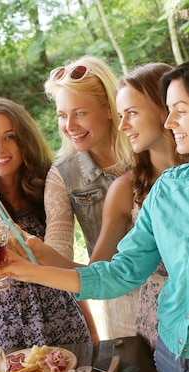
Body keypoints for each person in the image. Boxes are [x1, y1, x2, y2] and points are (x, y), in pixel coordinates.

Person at [0, 60, 189, 372]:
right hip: (178, 355)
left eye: (178, 110)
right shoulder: (164, 192)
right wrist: (25, 266)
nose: (168, 121)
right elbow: (115, 273)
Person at [92, 63, 188, 372]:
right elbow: (107, 269)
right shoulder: (147, 187)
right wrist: (30, 263)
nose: (123, 123)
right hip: (167, 328)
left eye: (131, 112)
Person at [0, 97, 91, 352]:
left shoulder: (50, 195)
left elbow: (64, 270)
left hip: (66, 328)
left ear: (25, 140)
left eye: (9, 137)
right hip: (8, 341)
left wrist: (92, 331)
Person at [43, 56, 136, 339]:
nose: (69, 125)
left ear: (109, 108)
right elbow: (58, 255)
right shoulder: (62, 175)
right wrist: (35, 254)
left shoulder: (147, 153)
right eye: (62, 115)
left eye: (80, 113)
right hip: (122, 308)